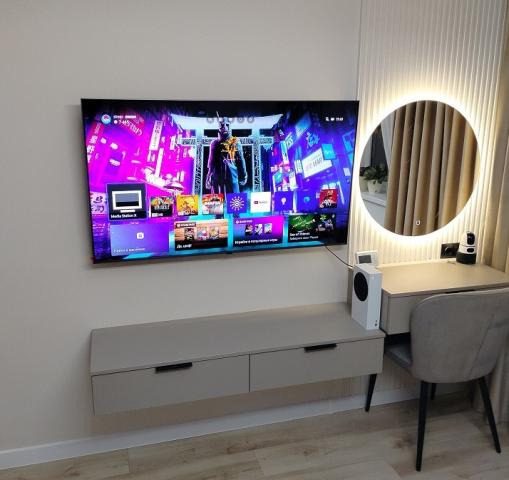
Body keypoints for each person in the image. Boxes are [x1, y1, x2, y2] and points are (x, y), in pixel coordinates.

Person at [206, 117, 248, 193]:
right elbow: (211, 162)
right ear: (219, 127)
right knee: (218, 198)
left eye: (227, 125)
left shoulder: (235, 142)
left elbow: (241, 160)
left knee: (233, 198)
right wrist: (208, 176)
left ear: (229, 127)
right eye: (222, 125)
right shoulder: (214, 143)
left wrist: (243, 175)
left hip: (231, 175)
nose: (225, 127)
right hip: (217, 176)